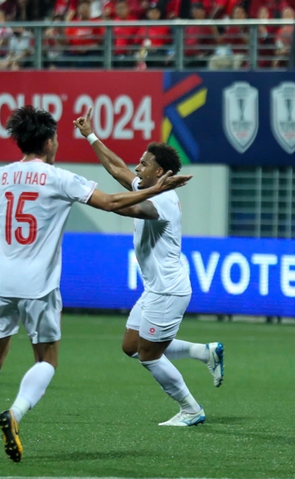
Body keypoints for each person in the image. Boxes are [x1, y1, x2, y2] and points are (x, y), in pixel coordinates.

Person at [0, 106, 192, 462]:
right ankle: (16, 411)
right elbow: (111, 202)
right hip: (39, 286)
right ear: (48, 142)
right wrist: (157, 189)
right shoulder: (59, 178)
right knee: (46, 359)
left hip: (0, 282)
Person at [73, 107, 224, 427]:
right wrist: (90, 136)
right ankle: (204, 352)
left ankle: (190, 409)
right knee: (131, 346)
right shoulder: (148, 186)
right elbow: (116, 169)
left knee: (149, 354)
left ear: (160, 174)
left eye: (144, 163)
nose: (137, 166)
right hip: (156, 287)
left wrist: (88, 195)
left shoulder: (162, 201)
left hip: (168, 290)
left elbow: (123, 208)